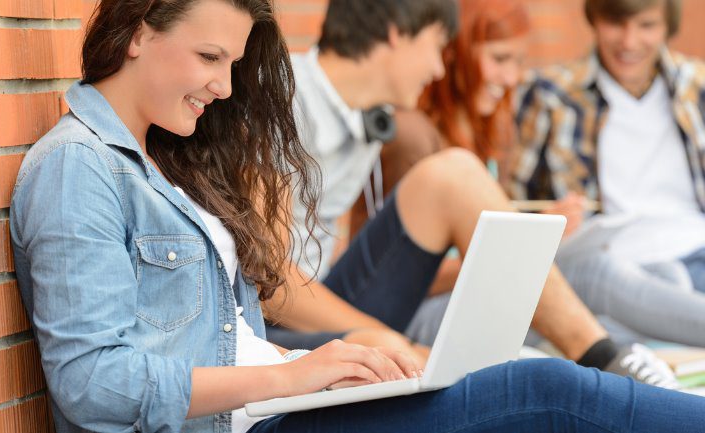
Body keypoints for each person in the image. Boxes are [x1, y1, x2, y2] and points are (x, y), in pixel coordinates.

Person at [10, 0, 705, 431]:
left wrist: (323, 363)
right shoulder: (79, 166)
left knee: (520, 380)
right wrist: (295, 372)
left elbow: (227, 332)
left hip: (274, 399)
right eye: (209, 58)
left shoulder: (167, 156)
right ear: (136, 33)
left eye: (232, 62)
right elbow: (94, 384)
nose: (223, 86)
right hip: (253, 417)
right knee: (545, 389)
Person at [263, 0, 679, 386]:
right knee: (455, 174)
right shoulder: (279, 97)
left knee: (457, 175)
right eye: (436, 46)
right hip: (275, 330)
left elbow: (326, 254)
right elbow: (272, 282)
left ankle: (605, 357)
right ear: (396, 33)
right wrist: (386, 339)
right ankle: (604, 363)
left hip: (326, 301)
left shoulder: (368, 115)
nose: (438, 68)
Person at [511, 0, 705, 347]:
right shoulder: (550, 93)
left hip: (696, 250)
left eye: (646, 25)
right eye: (616, 24)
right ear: (595, 20)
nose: (629, 43)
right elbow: (514, 206)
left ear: (667, 27)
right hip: (613, 264)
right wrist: (545, 221)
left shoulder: (697, 85)